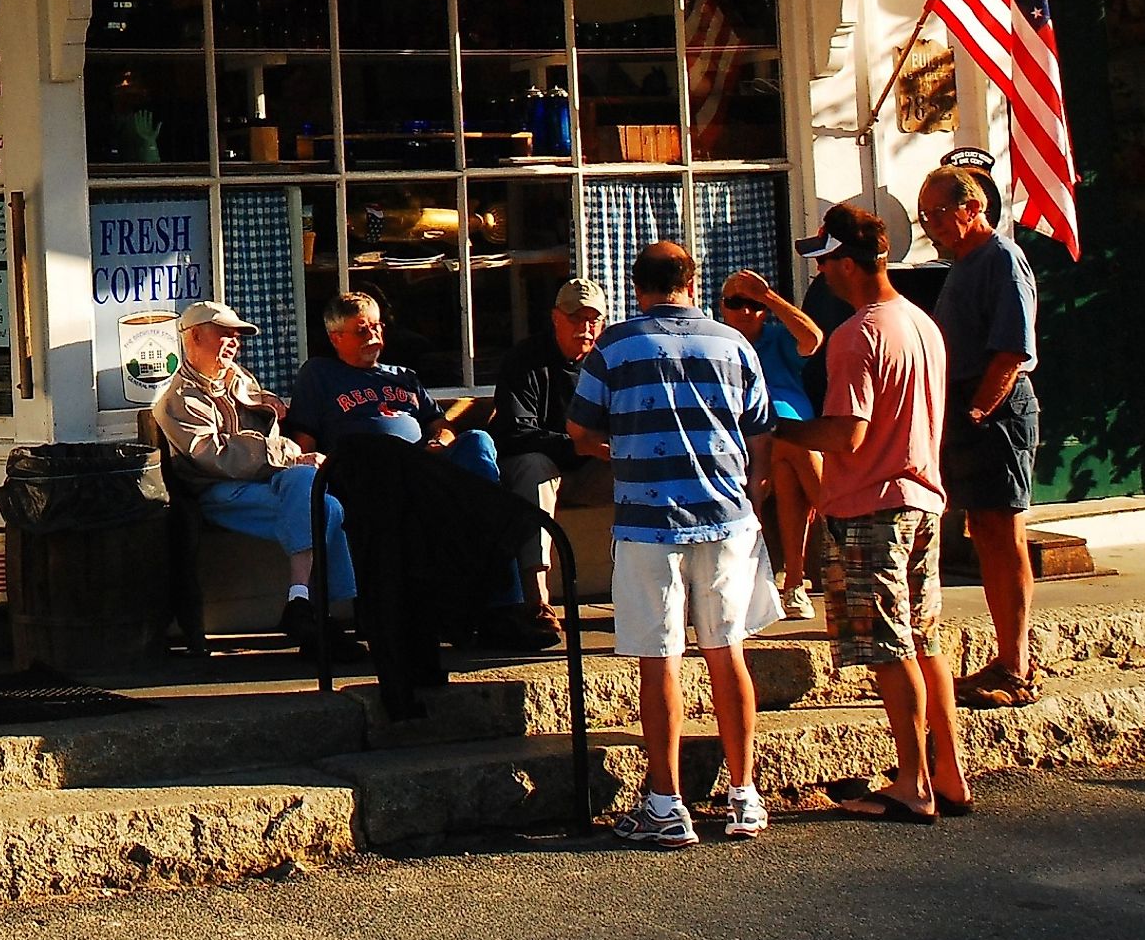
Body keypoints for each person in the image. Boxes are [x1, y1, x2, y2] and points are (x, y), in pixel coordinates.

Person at [570, 241, 780, 847]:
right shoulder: (732, 343)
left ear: (636, 286)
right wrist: (754, 490)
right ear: (692, 282)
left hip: (646, 517)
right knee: (727, 650)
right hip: (725, 513)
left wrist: (616, 446)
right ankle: (744, 793)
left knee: (659, 656)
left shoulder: (615, 346)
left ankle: (666, 801)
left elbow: (582, 429)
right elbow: (759, 425)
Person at [771, 202, 971, 823]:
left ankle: (913, 783)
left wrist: (778, 430)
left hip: (872, 509)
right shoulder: (920, 322)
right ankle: (947, 772)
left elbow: (846, 435)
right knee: (924, 641)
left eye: (826, 263)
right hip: (924, 501)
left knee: (888, 649)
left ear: (845, 263)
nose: (823, 276)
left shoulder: (857, 335)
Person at [287, 294, 554, 675]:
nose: (373, 335)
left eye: (377, 326)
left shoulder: (403, 376)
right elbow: (305, 441)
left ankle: (503, 609)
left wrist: (442, 441)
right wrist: (314, 469)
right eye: (361, 329)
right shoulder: (320, 373)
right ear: (335, 337)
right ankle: (495, 606)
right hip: (368, 475)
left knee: (477, 442)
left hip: (426, 471)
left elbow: (439, 423)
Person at [148, 300, 356, 653]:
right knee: (328, 509)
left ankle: (300, 602)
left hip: (265, 481)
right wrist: (287, 452)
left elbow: (257, 433)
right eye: (225, 334)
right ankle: (334, 614)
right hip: (218, 493)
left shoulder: (239, 377)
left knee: (309, 486)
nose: (234, 342)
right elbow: (214, 458)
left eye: (238, 336)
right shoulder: (177, 398)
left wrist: (268, 405)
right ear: (195, 336)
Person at [916, 164, 1043, 709]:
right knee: (982, 532)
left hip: (995, 410)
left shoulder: (1002, 260)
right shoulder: (964, 265)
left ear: (971, 207)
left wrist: (974, 413)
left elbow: (1011, 351)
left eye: (938, 215)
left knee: (1001, 530)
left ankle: (1016, 665)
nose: (932, 227)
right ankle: (1006, 658)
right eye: (926, 218)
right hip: (967, 407)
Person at [487, 277, 613, 631]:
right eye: (576, 318)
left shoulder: (610, 364)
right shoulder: (526, 360)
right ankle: (537, 599)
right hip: (537, 467)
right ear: (556, 317)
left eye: (593, 320)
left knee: (643, 469)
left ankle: (649, 591)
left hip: (592, 468)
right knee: (534, 468)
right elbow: (515, 431)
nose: (584, 328)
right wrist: (576, 445)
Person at [716, 268, 826, 620]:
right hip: (750, 438)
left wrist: (770, 298)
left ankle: (788, 583)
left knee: (786, 470)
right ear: (722, 307)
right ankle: (840, 522)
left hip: (789, 432)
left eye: (753, 304)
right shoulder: (719, 343)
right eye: (737, 303)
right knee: (788, 452)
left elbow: (812, 339)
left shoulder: (777, 338)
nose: (746, 311)